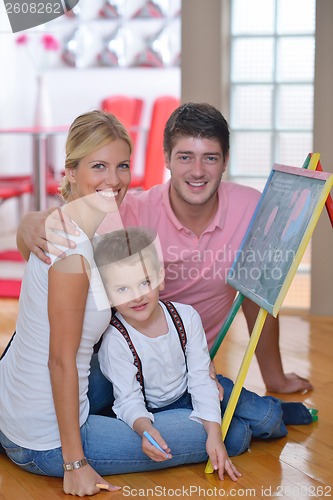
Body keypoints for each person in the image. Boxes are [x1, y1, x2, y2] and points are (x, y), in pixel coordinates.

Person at [16, 103, 313, 394]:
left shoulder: (250, 208)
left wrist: (275, 379)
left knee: (249, 423)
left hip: (187, 369)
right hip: (119, 366)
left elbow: (257, 296)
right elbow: (60, 248)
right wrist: (27, 226)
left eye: (210, 158)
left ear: (225, 160)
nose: (197, 171)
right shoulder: (127, 211)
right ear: (167, 159)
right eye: (185, 157)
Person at [0, 110, 211, 498]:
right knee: (224, 432)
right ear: (70, 171)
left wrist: (28, 224)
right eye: (99, 166)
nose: (114, 180)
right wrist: (75, 464)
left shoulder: (69, 223)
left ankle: (204, 391)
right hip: (43, 440)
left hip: (17, 405)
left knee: (180, 386)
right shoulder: (73, 250)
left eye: (122, 166)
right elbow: (60, 360)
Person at [93, 227, 314, 480]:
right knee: (236, 437)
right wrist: (145, 430)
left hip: (198, 388)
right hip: (162, 412)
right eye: (122, 289)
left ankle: (281, 410)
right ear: (107, 295)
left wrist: (212, 431)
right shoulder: (114, 341)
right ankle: (239, 422)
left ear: (160, 278)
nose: (137, 296)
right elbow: (127, 399)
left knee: (268, 418)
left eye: (145, 282)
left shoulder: (185, 316)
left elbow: (200, 377)